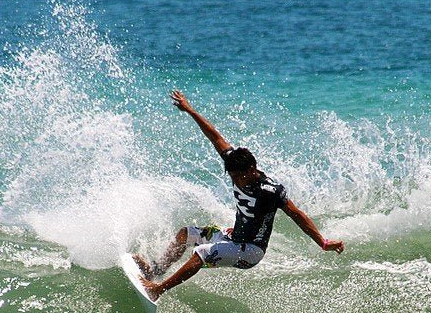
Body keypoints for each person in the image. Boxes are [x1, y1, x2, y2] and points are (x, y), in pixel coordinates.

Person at [134, 90, 345, 301]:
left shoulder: (270, 191)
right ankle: (156, 270)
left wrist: (323, 243)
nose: (236, 181)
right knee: (186, 234)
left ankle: (157, 289)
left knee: (202, 253)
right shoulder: (235, 161)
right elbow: (215, 136)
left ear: (252, 169)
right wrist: (189, 109)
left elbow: (297, 214)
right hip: (233, 238)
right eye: (232, 177)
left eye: (239, 177)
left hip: (251, 251)